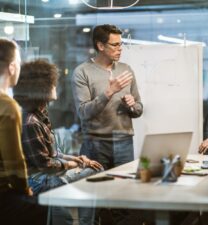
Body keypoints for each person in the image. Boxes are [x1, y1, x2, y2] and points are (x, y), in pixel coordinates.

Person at [13, 59, 103, 225]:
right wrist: (73, 165)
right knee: (57, 182)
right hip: (37, 179)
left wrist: (75, 159)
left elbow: (52, 153)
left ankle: (86, 223)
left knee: (94, 169)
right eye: (52, 84)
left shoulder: (41, 113)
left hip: (46, 172)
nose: (56, 87)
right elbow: (45, 165)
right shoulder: (31, 121)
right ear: (41, 89)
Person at [72, 24, 143, 170]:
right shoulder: (82, 72)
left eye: (121, 44)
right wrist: (109, 92)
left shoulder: (125, 69)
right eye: (115, 45)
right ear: (101, 46)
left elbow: (139, 108)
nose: (120, 48)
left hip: (124, 141)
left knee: (124, 189)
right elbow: (83, 112)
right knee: (96, 190)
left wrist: (132, 105)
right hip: (95, 143)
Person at [0, 38, 48, 225]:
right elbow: (14, 159)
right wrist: (24, 188)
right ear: (12, 67)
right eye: (19, 63)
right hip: (3, 194)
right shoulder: (7, 105)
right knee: (39, 207)